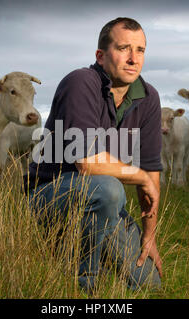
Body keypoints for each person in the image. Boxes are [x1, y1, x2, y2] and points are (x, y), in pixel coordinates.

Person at [24, 17, 163, 291]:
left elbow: (151, 171)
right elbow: (87, 162)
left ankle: (74, 248)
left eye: (141, 50)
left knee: (148, 282)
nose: (134, 59)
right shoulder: (81, 82)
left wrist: (149, 237)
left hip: (103, 204)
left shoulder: (148, 98)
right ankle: (84, 285)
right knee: (109, 189)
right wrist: (140, 177)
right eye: (124, 48)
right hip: (50, 195)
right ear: (101, 56)